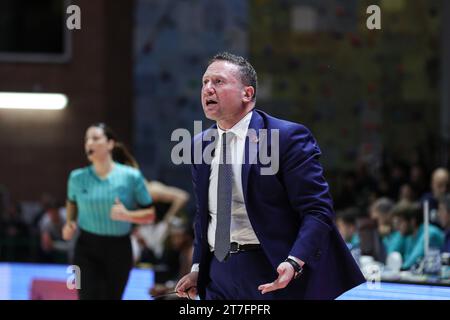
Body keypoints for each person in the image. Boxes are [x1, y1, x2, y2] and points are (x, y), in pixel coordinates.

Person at [175, 52, 365, 300]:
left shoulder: (285, 137)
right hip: (217, 274)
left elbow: (317, 210)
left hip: (273, 269)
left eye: (218, 82)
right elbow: (205, 214)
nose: (208, 89)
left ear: (248, 93)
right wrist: (198, 268)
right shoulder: (199, 145)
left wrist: (295, 261)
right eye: (205, 82)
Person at [62, 123, 156, 300]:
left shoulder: (131, 176)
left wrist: (127, 215)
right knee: (87, 296)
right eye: (87, 139)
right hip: (85, 248)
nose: (89, 143)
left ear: (110, 144)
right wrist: (69, 222)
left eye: (95, 138)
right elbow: (72, 202)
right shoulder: (76, 177)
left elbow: (150, 214)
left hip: (118, 249)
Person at [392, 202, 444, 270]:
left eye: (400, 222)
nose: (397, 227)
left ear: (412, 221)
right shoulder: (409, 237)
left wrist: (398, 270)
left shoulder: (430, 233)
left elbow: (412, 261)